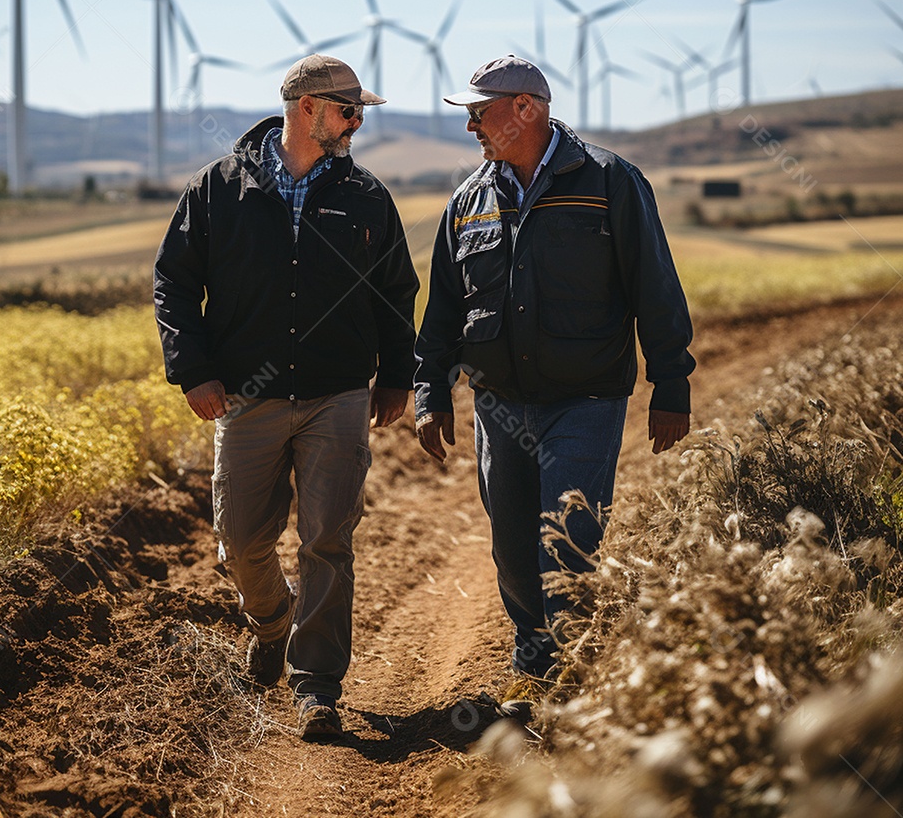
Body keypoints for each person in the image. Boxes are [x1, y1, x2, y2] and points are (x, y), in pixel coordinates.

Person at [414, 54, 694, 710]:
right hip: (500, 406)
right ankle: (538, 652)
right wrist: (429, 391)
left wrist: (671, 385)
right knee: (513, 548)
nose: (471, 128)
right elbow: (444, 311)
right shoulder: (469, 201)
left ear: (526, 109)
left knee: (566, 541)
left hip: (586, 400)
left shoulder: (609, 183)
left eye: (479, 113)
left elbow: (655, 288)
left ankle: (555, 681)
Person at [154, 54, 418, 741]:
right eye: (348, 110)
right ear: (308, 108)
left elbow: (395, 291)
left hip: (337, 394)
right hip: (247, 394)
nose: (357, 123)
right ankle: (273, 621)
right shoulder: (219, 188)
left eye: (360, 113)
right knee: (240, 539)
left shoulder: (365, 195)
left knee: (328, 539)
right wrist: (193, 368)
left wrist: (396, 375)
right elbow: (175, 283)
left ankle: (317, 688)